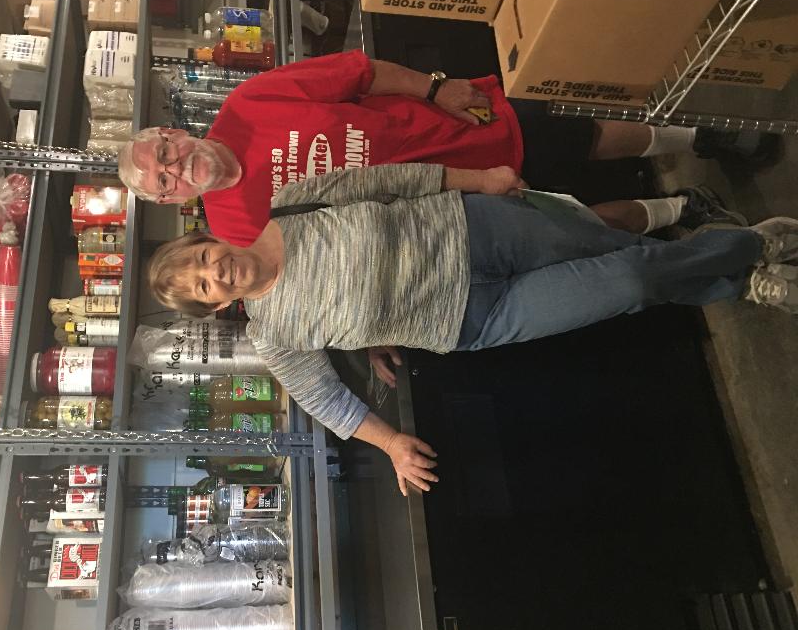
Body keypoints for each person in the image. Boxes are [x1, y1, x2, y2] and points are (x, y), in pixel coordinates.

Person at [146, 163, 798, 496]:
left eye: (202, 259)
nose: (216, 272)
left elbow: (386, 181)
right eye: (204, 286)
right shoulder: (273, 334)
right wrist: (391, 443)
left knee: (621, 250)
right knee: (628, 284)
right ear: (217, 306)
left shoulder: (285, 208)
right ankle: (745, 255)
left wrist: (476, 179)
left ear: (208, 240)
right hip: (473, 319)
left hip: (474, 228)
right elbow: (324, 399)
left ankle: (740, 271)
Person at [119, 50, 770, 245]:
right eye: (163, 182)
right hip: (440, 219)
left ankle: (703, 137)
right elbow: (311, 259)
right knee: (571, 218)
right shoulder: (233, 227)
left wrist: (437, 89)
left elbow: (361, 74)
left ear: (174, 133)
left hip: (449, 132)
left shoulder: (250, 102)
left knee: (584, 140)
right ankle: (683, 208)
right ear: (169, 199)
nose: (174, 169)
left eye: (165, 154)